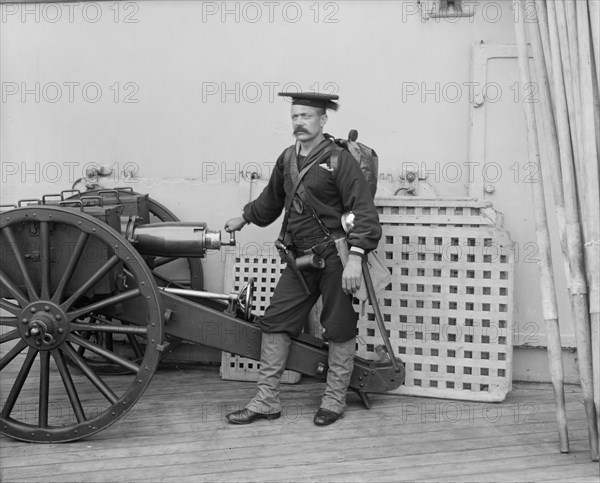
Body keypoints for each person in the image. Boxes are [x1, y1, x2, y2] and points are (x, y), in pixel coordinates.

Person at [223, 92, 381, 426]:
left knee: (338, 326)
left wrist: (355, 258)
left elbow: (364, 214)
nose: (299, 122)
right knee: (276, 321)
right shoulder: (286, 159)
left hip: (335, 258)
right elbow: (270, 202)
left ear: (323, 120)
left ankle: (334, 400)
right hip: (298, 259)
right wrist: (245, 217)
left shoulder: (339, 160)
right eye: (295, 116)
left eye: (306, 116)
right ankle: (266, 401)